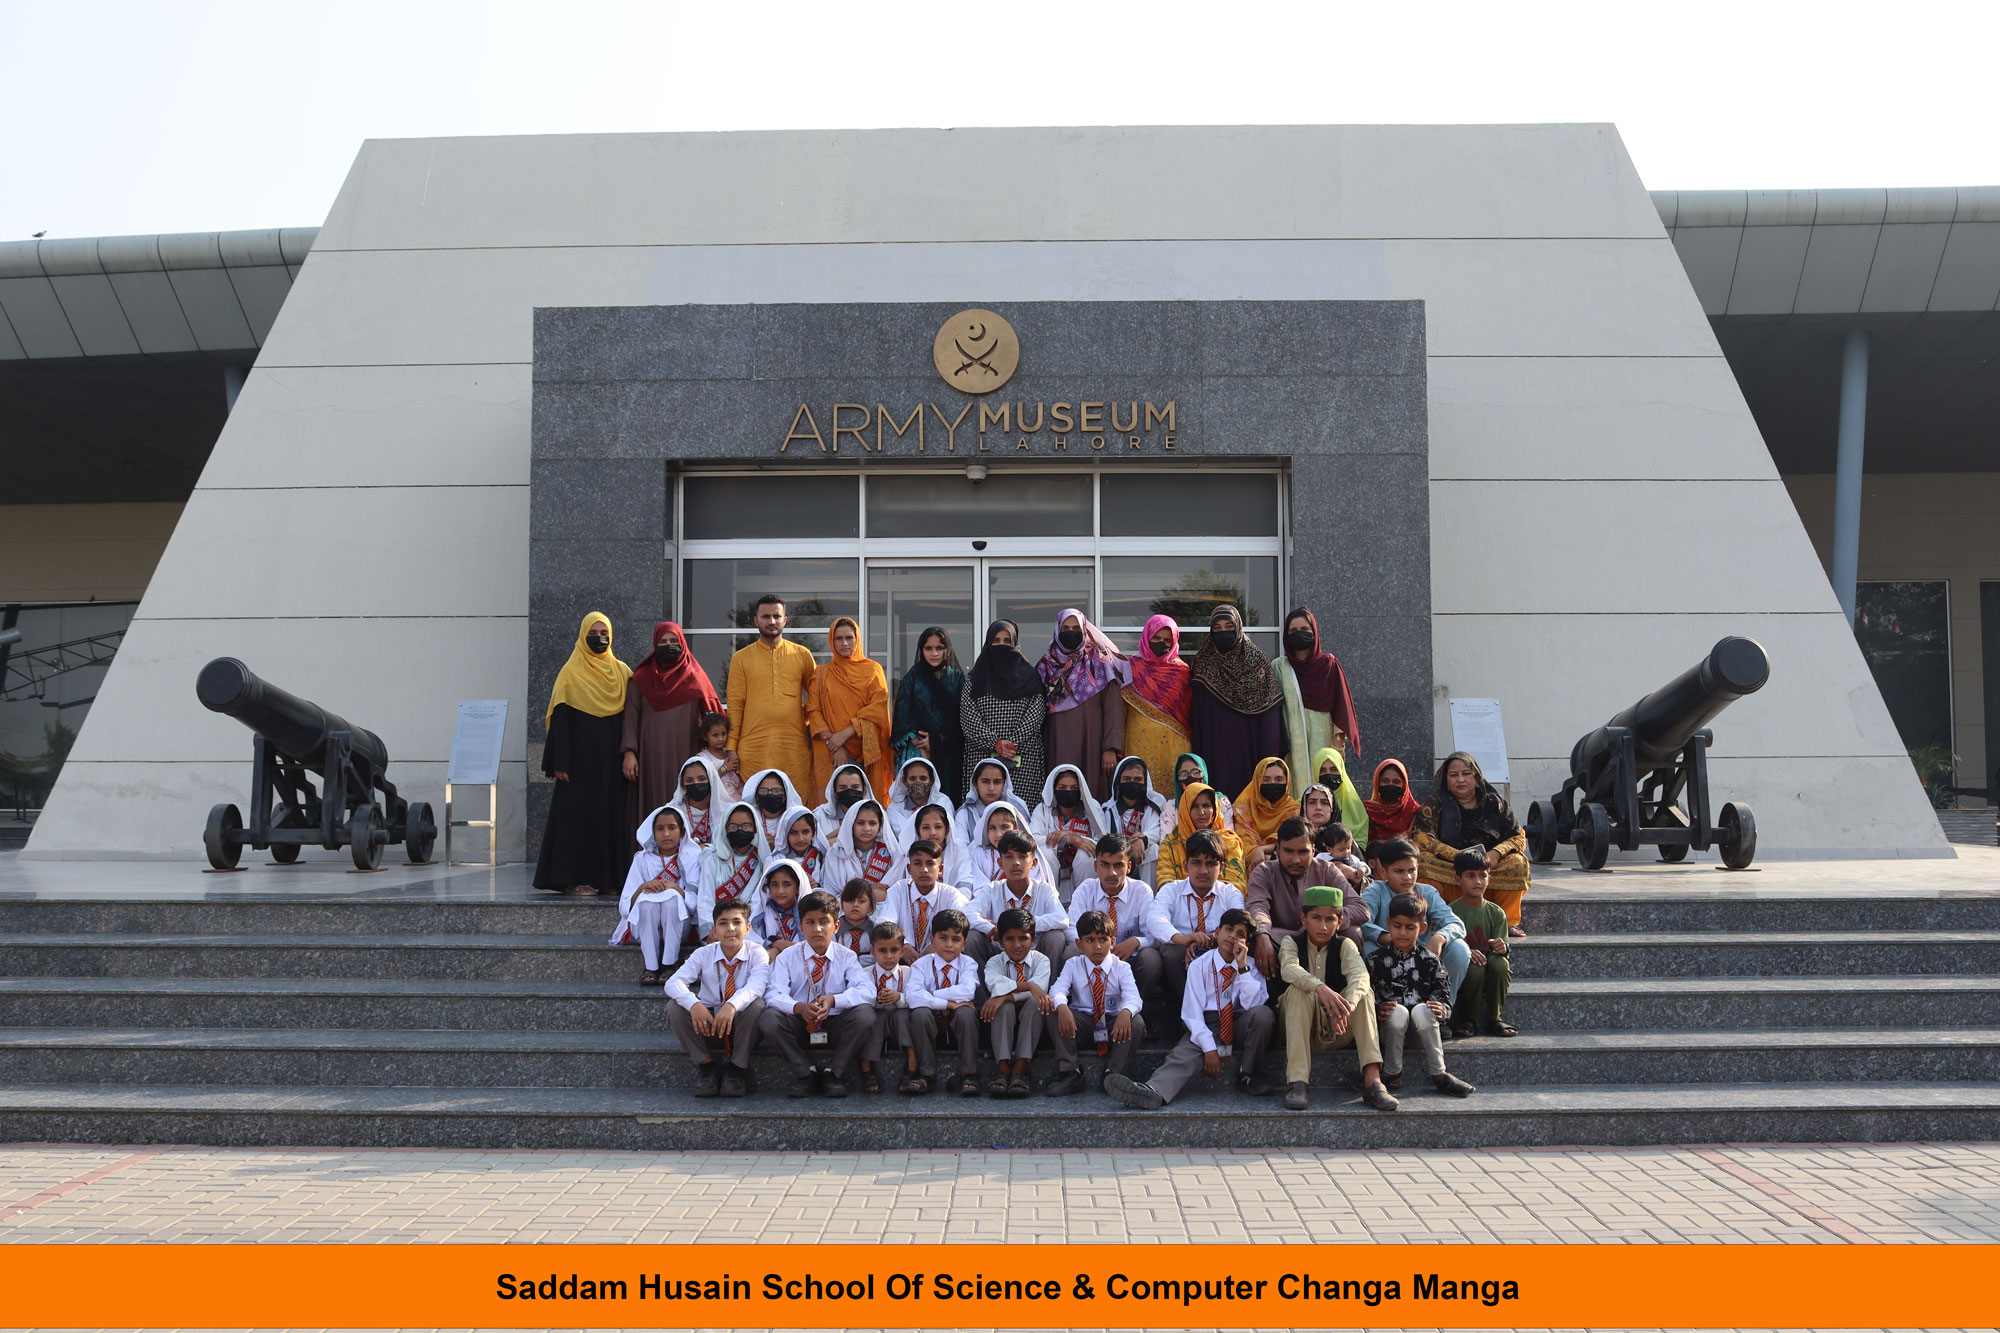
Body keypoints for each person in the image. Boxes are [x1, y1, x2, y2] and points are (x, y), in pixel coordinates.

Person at [1104, 908, 1274, 1108]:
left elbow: (1253, 1006)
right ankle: (1152, 1091)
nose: (1233, 937)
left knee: (1264, 1014)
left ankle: (1248, 1074)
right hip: (1207, 1023)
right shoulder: (1199, 965)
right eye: (1228, 929)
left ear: (1247, 944)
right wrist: (1209, 1049)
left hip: (1239, 1022)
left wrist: (1242, 966)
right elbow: (1192, 1015)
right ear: (1217, 932)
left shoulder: (1251, 967)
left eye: (1241, 934)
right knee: (1184, 1055)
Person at [534, 612, 632, 897]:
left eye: (604, 633)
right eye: (593, 633)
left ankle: (610, 879)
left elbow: (632, 717)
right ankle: (577, 878)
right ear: (582, 636)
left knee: (610, 819)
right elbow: (561, 720)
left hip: (611, 764)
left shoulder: (622, 673)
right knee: (578, 820)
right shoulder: (571, 673)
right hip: (579, 766)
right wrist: (560, 762)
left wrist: (630, 753)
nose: (599, 638)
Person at [1278, 885, 1396, 1113]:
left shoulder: (1345, 945)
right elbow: (1288, 968)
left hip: (1338, 1027)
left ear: (1340, 921)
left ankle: (1373, 1082)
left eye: (1330, 919)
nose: (1323, 926)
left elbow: (1360, 976)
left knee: (1364, 993)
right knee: (1298, 991)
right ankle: (1297, 1083)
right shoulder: (1291, 942)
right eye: (1316, 918)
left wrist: (1347, 1006)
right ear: (1303, 918)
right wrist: (1320, 987)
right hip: (1300, 1029)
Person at [757, 887, 877, 1099]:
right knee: (769, 1018)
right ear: (801, 927)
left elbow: (868, 991)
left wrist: (834, 1001)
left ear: (836, 926)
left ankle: (834, 1073)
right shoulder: (787, 957)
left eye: (824, 922)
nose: (817, 929)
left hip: (834, 1023)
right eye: (810, 922)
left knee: (865, 1014)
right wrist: (798, 1007)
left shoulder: (846, 956)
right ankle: (805, 1072)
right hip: (799, 1024)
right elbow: (773, 994)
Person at [1368, 893, 1477, 1097]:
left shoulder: (1431, 961)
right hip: (1388, 1032)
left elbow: (1445, 999)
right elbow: (1368, 995)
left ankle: (1439, 1074)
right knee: (1397, 1011)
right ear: (1388, 923)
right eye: (1397, 926)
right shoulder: (1375, 960)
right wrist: (1378, 1008)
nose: (1403, 933)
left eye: (1410, 927)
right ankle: (1392, 1072)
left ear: (1423, 928)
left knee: (1422, 1010)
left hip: (1423, 1032)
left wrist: (1441, 1010)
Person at [1417, 750, 1533, 938]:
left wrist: (1495, 854)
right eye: (1453, 775)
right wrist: (1457, 856)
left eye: (1466, 773)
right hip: (1452, 867)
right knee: (1422, 862)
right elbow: (1422, 837)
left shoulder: (1495, 803)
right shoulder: (1435, 803)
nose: (1460, 780)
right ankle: (1434, 919)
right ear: (1446, 779)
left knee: (1518, 863)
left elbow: (1518, 836)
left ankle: (1506, 922)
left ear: (1476, 777)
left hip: (1487, 868)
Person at [662, 897, 768, 1099]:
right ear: (714, 930)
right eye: (723, 923)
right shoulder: (702, 953)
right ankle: (706, 1066)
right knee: (674, 1007)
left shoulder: (757, 953)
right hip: (708, 1024)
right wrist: (694, 1005)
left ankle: (737, 1068)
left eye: (737, 922)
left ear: (748, 928)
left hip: (740, 1026)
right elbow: (673, 983)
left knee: (757, 1005)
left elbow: (757, 985)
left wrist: (731, 1005)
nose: (730, 929)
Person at [621, 621, 722, 827]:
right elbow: (630, 716)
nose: (668, 645)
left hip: (687, 753)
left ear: (682, 643)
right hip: (651, 758)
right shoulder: (641, 678)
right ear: (655, 644)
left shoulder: (696, 677)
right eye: (663, 642)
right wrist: (629, 753)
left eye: (674, 641)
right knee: (654, 802)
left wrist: (717, 750)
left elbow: (713, 717)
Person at [1187, 604, 1287, 799]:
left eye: (1229, 626)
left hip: (1249, 747)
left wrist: (1269, 757)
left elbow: (1270, 711)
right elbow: (1197, 714)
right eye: (1217, 628)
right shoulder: (1203, 662)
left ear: (1239, 627)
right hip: (1214, 748)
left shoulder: (1257, 662)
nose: (1223, 632)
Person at [1247, 817, 1369, 973]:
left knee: (1353, 932)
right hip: (1282, 940)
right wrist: (1262, 934)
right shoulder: (1264, 872)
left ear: (1313, 851)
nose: (1296, 860)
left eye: (1303, 852)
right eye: (1288, 851)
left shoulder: (1327, 870)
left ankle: (1344, 985)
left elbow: (1361, 908)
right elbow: (1258, 907)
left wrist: (1323, 921)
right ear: (1277, 850)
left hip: (1324, 939)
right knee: (1259, 938)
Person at [1046, 909, 1147, 1096]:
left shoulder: (1122, 967)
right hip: (1081, 1024)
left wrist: (1125, 1012)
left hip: (1113, 1025)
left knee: (1136, 1022)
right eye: (1090, 940)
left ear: (1112, 942)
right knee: (1053, 1011)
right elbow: (1057, 989)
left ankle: (1113, 1074)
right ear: (1079, 944)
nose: (1097, 946)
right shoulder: (1073, 964)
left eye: (1103, 939)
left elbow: (1133, 996)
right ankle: (1070, 1072)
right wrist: (1062, 1007)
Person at [725, 594, 816, 799]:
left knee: (795, 802)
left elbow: (817, 697)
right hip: (754, 746)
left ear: (785, 620)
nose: (772, 621)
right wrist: (731, 747)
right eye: (766, 616)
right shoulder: (741, 658)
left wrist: (805, 719)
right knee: (757, 803)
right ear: (756, 620)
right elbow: (735, 705)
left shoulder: (802, 655)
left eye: (777, 616)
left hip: (793, 745)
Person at [1360, 838, 1471, 1004]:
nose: (1407, 877)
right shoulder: (1375, 891)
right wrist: (1387, 937)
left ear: (1418, 868)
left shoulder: (1427, 892)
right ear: (1384, 871)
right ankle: (1381, 1006)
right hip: (1388, 958)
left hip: (1424, 957)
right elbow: (1361, 921)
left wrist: (1439, 937)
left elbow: (1455, 924)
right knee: (1367, 947)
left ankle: (1442, 1006)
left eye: (1412, 870)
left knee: (1459, 948)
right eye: (1399, 871)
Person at [1146, 830, 1247, 1008]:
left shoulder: (1230, 893)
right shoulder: (1172, 889)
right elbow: (1155, 918)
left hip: (1218, 951)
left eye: (1211, 864)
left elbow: (1239, 924)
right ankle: (1188, 1009)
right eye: (1196, 863)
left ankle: (1216, 1008)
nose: (1203, 871)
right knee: (1171, 950)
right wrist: (1184, 939)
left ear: (1222, 867)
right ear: (1185, 865)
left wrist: (1205, 940)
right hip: (1180, 959)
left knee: (1227, 946)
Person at [1063, 834, 1162, 999]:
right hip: (1092, 955)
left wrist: (1136, 942)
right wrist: (1093, 946)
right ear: (1096, 866)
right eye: (1105, 865)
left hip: (1128, 957)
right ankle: (1083, 1005)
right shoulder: (1085, 889)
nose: (1112, 873)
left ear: (1129, 867)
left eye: (1118, 865)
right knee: (1071, 952)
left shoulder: (1142, 891)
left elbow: (1154, 934)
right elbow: (1071, 928)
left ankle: (1136, 1007)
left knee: (1151, 959)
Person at [960, 619, 1049, 800]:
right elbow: (968, 716)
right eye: (996, 640)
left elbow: (1035, 715)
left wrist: (1012, 744)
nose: (1001, 645)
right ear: (989, 643)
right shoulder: (975, 679)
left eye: (1007, 641)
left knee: (1020, 811)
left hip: (1023, 759)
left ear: (1015, 643)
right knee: (982, 811)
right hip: (982, 757)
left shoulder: (1031, 678)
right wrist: (994, 743)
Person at [1276, 607, 1361, 797]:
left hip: (1323, 741)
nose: (1299, 634)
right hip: (1292, 744)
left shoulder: (1329, 665)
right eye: (1293, 630)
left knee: (1324, 793)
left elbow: (1341, 707)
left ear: (1314, 632)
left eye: (1305, 629)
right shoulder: (1280, 667)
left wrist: (1337, 747)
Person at [808, 616, 894, 803]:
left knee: (865, 806)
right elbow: (813, 711)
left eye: (849, 638)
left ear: (857, 639)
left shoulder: (873, 670)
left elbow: (877, 710)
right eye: (839, 638)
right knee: (833, 806)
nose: (844, 643)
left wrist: (844, 735)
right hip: (832, 752)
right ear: (832, 641)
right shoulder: (821, 674)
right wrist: (836, 745)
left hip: (866, 753)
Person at [1037, 608, 1125, 790]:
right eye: (1066, 628)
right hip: (1056, 742)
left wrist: (1111, 748)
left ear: (1084, 630)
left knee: (1091, 792)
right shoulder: (1045, 666)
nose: (1071, 632)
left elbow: (1113, 709)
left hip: (1092, 743)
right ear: (1057, 630)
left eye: (1076, 628)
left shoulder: (1099, 663)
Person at [610, 805, 696, 984]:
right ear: (653, 833)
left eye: (671, 828)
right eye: (660, 829)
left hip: (680, 925)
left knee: (672, 899)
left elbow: (696, 903)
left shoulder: (692, 858)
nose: (666, 834)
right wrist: (642, 888)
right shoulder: (641, 859)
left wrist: (675, 888)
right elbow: (625, 906)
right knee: (646, 902)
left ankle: (670, 963)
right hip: (644, 924)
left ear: (681, 832)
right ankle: (651, 966)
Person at [1115, 614, 1195, 806]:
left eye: (1167, 640)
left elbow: (1189, 711)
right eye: (1156, 638)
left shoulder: (1182, 671)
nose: (1161, 644)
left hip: (1175, 743)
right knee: (1139, 792)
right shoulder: (1131, 667)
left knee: (1175, 797)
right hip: (1138, 740)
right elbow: (1121, 710)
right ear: (1146, 637)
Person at [903, 909, 980, 1096]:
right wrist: (949, 1004)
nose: (949, 944)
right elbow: (912, 997)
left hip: (957, 1029)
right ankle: (926, 1074)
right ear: (932, 939)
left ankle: (969, 1074)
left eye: (956, 939)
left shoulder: (968, 963)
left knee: (966, 1013)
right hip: (930, 1028)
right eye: (943, 938)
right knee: (920, 1013)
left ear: (964, 944)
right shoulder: (921, 964)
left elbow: (967, 991)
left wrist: (931, 994)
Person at [980, 907, 1054, 1097]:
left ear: (1033, 940)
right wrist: (1028, 986)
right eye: (1010, 939)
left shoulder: (1041, 960)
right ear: (1000, 941)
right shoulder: (994, 962)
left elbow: (1039, 991)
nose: (1017, 945)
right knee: (1002, 1006)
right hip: (1002, 1021)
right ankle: (1002, 1067)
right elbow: (996, 986)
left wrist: (1006, 996)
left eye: (1023, 938)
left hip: (1033, 1021)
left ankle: (1021, 1067)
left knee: (1036, 1003)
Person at [967, 829, 1070, 963]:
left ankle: (1051, 978)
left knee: (1056, 937)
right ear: (1000, 863)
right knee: (972, 936)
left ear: (1034, 863)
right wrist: (991, 928)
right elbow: (967, 915)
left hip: (1035, 956)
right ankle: (978, 978)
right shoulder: (991, 890)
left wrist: (1019, 927)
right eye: (1009, 857)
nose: (1016, 862)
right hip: (998, 955)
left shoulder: (1044, 890)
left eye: (1022, 856)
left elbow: (1062, 919)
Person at [1448, 848, 1517, 1038]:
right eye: (1471, 876)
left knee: (1500, 964)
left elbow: (1501, 948)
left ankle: (1495, 1018)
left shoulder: (1496, 912)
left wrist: (1502, 947)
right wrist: (1468, 952)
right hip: (1468, 966)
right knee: (1475, 968)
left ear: (1489, 878)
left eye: (1482, 876)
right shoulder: (1451, 911)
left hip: (1490, 963)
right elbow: (1450, 944)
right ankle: (1469, 1019)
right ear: (1458, 879)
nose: (1478, 881)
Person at [892, 626, 966, 798]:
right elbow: (903, 715)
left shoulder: (957, 679)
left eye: (939, 648)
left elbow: (963, 718)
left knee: (948, 799)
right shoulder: (912, 678)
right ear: (921, 650)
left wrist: (938, 739)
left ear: (948, 651)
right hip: (918, 752)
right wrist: (921, 743)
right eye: (929, 648)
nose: (934, 653)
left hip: (951, 752)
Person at [880, 838, 971, 960]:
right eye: (918, 863)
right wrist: (902, 945)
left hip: (940, 958)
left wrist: (937, 945)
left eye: (930, 864)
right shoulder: (898, 889)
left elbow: (959, 927)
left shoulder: (951, 894)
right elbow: (884, 922)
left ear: (940, 869)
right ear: (909, 868)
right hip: (901, 957)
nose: (924, 870)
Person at [1030, 764, 1108, 900]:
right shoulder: (1042, 809)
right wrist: (1068, 839)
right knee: (1045, 853)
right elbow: (1032, 839)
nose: (1068, 791)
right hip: (1054, 870)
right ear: (1054, 789)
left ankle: (1086, 901)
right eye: (1062, 788)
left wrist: (1075, 836)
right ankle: (1048, 901)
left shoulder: (1091, 807)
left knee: (1088, 854)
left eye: (1074, 788)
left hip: (1082, 870)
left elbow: (1103, 841)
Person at [1154, 781, 1247, 890]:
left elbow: (1236, 885)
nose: (1201, 812)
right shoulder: (1170, 844)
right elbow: (1165, 882)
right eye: (1194, 806)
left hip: (1223, 899)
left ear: (1215, 809)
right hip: (1180, 900)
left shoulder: (1229, 841)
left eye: (1206, 806)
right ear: (1185, 809)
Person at [695, 801, 763, 939]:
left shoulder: (762, 861)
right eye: (733, 827)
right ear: (725, 829)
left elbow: (759, 903)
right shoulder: (713, 859)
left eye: (746, 826)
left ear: (755, 828)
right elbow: (705, 900)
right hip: (718, 927)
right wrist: (711, 931)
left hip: (751, 927)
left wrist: (743, 927)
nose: (740, 831)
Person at [859, 920, 913, 1094]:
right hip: (878, 1025)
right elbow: (859, 998)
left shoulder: (909, 973)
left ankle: (913, 1062)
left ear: (902, 951)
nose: (889, 956)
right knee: (877, 1016)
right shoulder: (865, 973)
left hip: (901, 1025)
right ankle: (866, 1065)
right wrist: (876, 1000)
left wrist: (899, 997)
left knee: (902, 1015)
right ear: (872, 952)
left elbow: (917, 997)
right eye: (882, 951)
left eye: (894, 950)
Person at [1101, 755, 1168, 886]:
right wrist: (1129, 843)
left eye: (1138, 779)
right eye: (1127, 779)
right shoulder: (1107, 809)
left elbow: (1156, 829)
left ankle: (1149, 896)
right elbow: (1102, 837)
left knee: (1154, 849)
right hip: (1115, 859)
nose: (1132, 783)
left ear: (1145, 782)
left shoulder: (1155, 804)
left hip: (1142, 857)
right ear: (1118, 781)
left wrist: (1142, 840)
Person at [966, 799, 1056, 891]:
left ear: (1016, 828)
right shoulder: (978, 854)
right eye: (992, 828)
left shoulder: (1028, 853)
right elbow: (978, 888)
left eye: (1004, 827)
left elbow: (1034, 888)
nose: (998, 834)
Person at [825, 798, 905, 899]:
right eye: (860, 823)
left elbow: (898, 893)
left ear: (880, 826)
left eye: (872, 823)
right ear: (851, 824)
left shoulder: (892, 853)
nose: (866, 829)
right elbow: (830, 897)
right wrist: (868, 892)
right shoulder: (835, 854)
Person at [1233, 756, 1301, 872]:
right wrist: (1257, 854)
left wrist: (1262, 851)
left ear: (1287, 781)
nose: (1272, 784)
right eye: (1266, 780)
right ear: (1257, 781)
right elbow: (1241, 841)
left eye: (1279, 779)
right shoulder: (1243, 807)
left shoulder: (1293, 810)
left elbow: (1292, 841)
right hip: (1248, 868)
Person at [911, 801, 978, 894]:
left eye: (938, 827)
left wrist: (954, 901)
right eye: (926, 827)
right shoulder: (910, 854)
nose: (932, 832)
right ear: (918, 832)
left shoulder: (957, 850)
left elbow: (965, 881)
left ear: (947, 830)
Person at [955, 757, 1024, 847]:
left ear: (1004, 784)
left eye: (997, 782)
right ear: (975, 783)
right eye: (985, 781)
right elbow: (960, 849)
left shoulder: (1017, 809)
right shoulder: (964, 813)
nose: (991, 788)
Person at [744, 767, 809, 853]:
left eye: (776, 791)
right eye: (764, 791)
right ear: (757, 796)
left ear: (785, 794)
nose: (770, 794)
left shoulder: (796, 818)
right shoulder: (748, 817)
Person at [749, 859, 806, 958]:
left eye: (787, 884)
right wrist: (772, 944)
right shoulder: (760, 912)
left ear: (798, 888)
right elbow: (749, 939)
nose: (780, 891)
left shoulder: (807, 913)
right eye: (775, 885)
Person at [884, 756, 947, 844]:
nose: (918, 782)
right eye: (912, 779)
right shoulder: (895, 808)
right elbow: (905, 838)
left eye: (923, 778)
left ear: (931, 781)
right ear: (904, 782)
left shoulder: (943, 802)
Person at [1312, 745, 1368, 843]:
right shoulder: (1303, 805)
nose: (1328, 774)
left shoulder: (1355, 807)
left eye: (1334, 770)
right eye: (1322, 770)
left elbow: (1361, 843)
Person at [668, 755, 723, 850]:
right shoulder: (673, 812)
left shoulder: (725, 811)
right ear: (682, 785)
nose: (696, 783)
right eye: (689, 780)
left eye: (702, 779)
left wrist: (707, 848)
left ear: (711, 780)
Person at [1174, 752, 1238, 831]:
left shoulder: (1221, 802)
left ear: (1204, 773)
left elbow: (1228, 833)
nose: (1190, 777)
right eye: (1183, 774)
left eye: (1196, 772)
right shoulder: (1171, 808)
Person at [1364, 758, 1420, 847]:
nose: (1390, 785)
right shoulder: (1366, 810)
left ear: (1404, 785)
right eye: (1385, 781)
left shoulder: (1414, 811)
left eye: (1396, 782)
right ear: (1377, 783)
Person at [773, 804, 830, 891]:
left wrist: (816, 887)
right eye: (793, 833)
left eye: (805, 832)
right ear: (785, 834)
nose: (800, 838)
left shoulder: (822, 857)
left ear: (813, 832)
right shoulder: (775, 860)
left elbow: (830, 889)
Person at [1315, 821, 1372, 894]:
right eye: (1341, 850)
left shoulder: (1352, 859)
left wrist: (1362, 869)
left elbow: (1364, 866)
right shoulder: (1322, 857)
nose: (1346, 852)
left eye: (1349, 848)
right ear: (1329, 849)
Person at [698, 712, 743, 803]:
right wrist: (725, 768)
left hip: (738, 800)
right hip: (718, 802)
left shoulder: (730, 754)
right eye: (715, 735)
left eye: (723, 734)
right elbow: (704, 782)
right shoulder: (703, 758)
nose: (720, 739)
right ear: (705, 736)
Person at [814, 762, 872, 831]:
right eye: (843, 787)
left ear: (864, 789)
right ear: (834, 792)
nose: (849, 792)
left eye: (855, 787)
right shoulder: (819, 816)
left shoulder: (876, 815)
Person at [835, 877, 880, 957]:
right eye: (850, 900)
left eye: (862, 901)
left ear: (870, 906)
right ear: (842, 905)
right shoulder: (834, 930)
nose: (855, 905)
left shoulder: (876, 931)